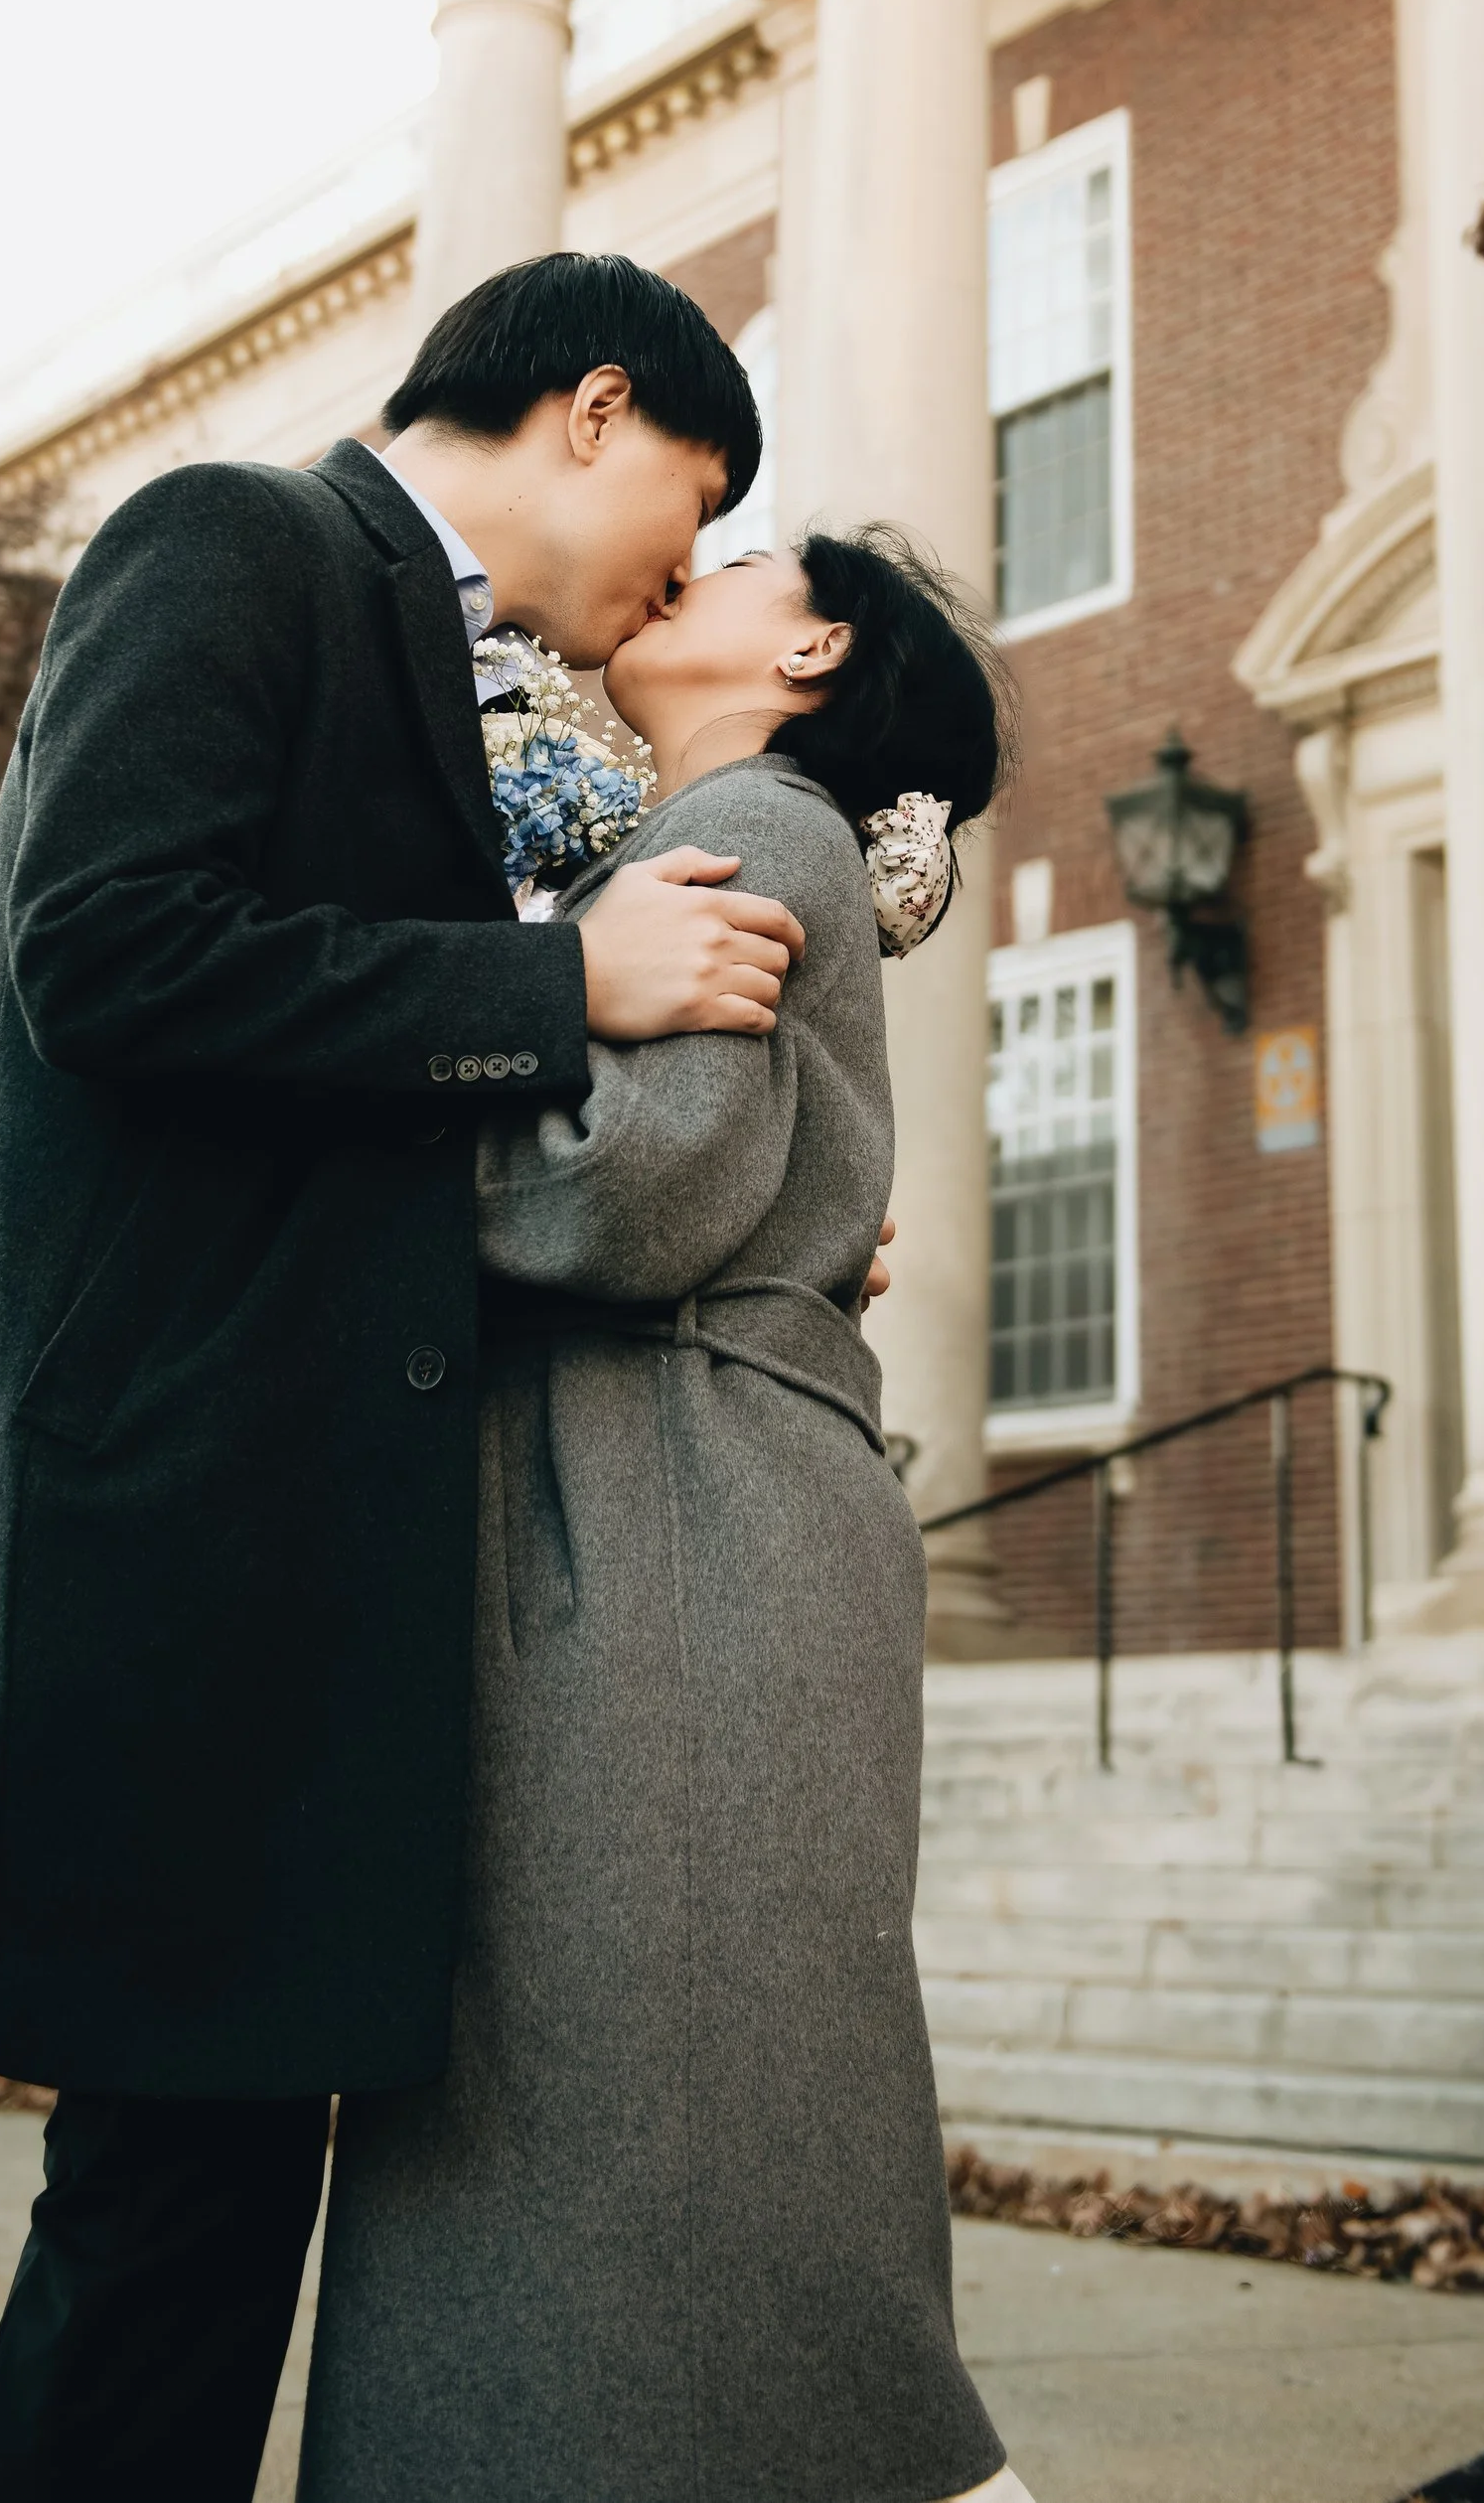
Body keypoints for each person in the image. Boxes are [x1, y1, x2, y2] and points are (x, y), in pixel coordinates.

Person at [0, 254, 825, 2503]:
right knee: (166, 2214)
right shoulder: (231, 540)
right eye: (689, 495)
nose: (681, 568)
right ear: (591, 407)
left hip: (295, 1554)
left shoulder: (437, 655)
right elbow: (105, 947)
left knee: (198, 2210)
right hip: (175, 1524)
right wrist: (555, 973)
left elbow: (370, 1110)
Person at [298, 527, 1038, 2503]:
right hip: (664, 1501)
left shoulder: (751, 825)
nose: (684, 560)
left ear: (807, 645)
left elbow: (617, 1198)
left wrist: (335, 1144)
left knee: (663, 2110)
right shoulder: (728, 827)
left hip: (677, 1521)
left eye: (743, 553)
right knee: (643, 2108)